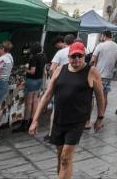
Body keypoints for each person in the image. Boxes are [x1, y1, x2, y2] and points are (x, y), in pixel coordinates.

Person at [29, 42, 105, 179]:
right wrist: (35, 120)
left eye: (79, 56)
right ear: (68, 56)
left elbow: (100, 97)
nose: (76, 59)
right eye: (73, 56)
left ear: (84, 56)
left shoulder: (91, 71)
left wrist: (100, 118)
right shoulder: (60, 70)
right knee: (60, 157)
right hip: (59, 119)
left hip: (77, 122)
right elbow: (47, 96)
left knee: (65, 158)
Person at [89, 31, 117, 126]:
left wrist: (88, 68)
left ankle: (88, 121)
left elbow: (93, 60)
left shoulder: (100, 45)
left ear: (104, 36)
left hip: (98, 75)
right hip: (108, 75)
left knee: (92, 97)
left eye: (102, 35)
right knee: (104, 96)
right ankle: (100, 117)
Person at [21, 43, 46, 132]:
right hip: (39, 80)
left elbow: (32, 71)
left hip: (32, 80)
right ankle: (32, 120)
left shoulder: (34, 58)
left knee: (28, 102)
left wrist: (24, 69)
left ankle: (25, 122)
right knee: (35, 101)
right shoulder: (43, 56)